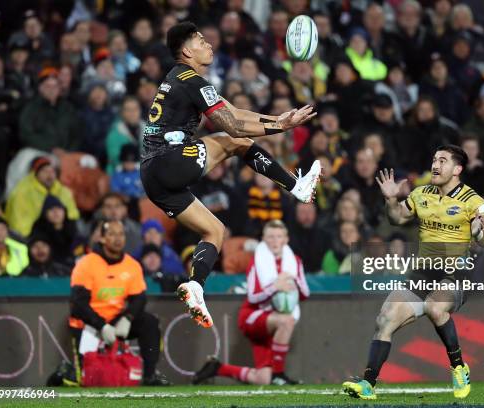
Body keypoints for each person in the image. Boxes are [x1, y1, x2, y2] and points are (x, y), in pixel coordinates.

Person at [139, 22, 320, 329]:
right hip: (170, 160)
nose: (208, 43)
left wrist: (278, 119)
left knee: (215, 232)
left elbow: (234, 112)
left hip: (152, 175)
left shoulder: (180, 79)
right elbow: (233, 126)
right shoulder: (190, 79)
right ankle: (297, 187)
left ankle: (195, 285)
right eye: (200, 40)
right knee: (237, 141)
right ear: (186, 51)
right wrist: (282, 127)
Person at [343, 145, 484, 400]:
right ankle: (368, 384)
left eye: (443, 161)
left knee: (436, 307)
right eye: (434, 159)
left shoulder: (474, 201)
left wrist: (479, 232)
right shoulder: (421, 193)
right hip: (424, 272)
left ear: (457, 169)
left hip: (456, 272)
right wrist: (391, 199)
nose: (435, 165)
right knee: (386, 318)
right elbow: (397, 218)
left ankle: (459, 367)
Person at [191, 220, 309, 385]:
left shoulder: (294, 261)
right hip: (253, 316)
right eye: (271, 237)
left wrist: (293, 281)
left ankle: (217, 368)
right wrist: (274, 287)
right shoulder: (257, 261)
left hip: (274, 323)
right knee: (287, 321)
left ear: (286, 239)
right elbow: (253, 297)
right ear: (264, 239)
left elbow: (305, 294)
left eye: (279, 237)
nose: (275, 241)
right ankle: (279, 374)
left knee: (263, 379)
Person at [69, 219, 169, 386]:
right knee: (85, 381)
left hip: (116, 321)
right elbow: (78, 304)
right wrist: (101, 325)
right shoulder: (86, 264)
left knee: (149, 322)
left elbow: (139, 298)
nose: (117, 238)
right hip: (88, 324)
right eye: (112, 234)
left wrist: (128, 318)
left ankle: (150, 375)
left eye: (121, 234)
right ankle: (61, 376)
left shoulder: (132, 265)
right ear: (101, 238)